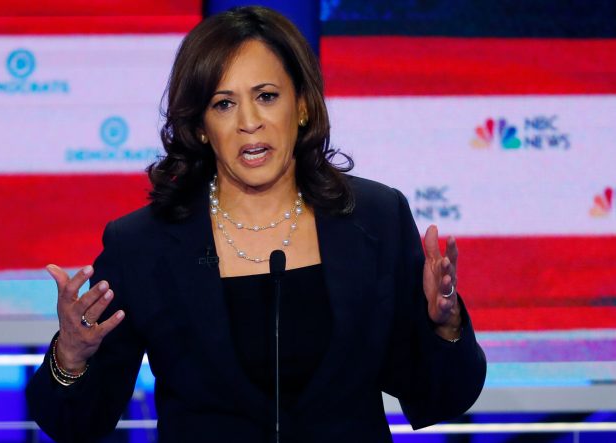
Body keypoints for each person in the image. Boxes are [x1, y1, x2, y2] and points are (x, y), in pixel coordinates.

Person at [26, 6, 486, 443]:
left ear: (302, 106)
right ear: (202, 127)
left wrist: (444, 327)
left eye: (266, 97)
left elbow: (438, 397)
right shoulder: (143, 245)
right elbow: (78, 425)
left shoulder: (374, 218)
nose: (249, 122)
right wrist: (70, 357)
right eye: (223, 104)